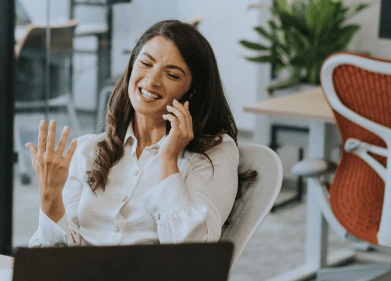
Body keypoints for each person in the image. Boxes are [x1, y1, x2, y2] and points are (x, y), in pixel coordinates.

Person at [27, 19, 248, 247]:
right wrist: (50, 193)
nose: (151, 80)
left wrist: (168, 158)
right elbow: (51, 254)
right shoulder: (88, 150)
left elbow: (193, 252)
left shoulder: (213, 153)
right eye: (145, 63)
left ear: (193, 91)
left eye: (172, 75)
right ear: (132, 65)